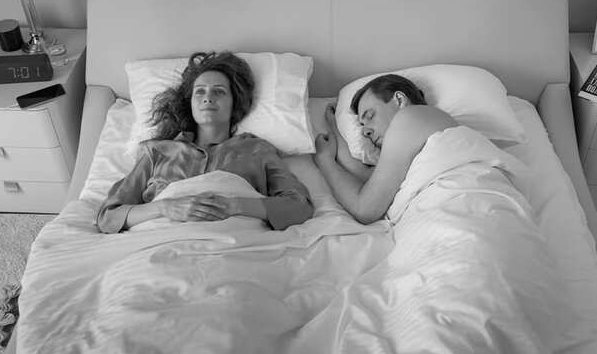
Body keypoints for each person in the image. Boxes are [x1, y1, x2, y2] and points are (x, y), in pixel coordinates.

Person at [97, 51, 313, 233]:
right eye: (199, 92)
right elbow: (109, 216)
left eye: (219, 91)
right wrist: (165, 207)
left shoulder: (257, 149)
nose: (208, 98)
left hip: (236, 243)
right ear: (189, 103)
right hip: (162, 243)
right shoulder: (156, 151)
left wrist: (235, 205)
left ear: (235, 103)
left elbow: (300, 206)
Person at [313, 74, 457, 224]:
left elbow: (365, 208)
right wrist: (335, 126)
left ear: (399, 100)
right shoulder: (416, 142)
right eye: (362, 125)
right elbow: (368, 181)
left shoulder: (411, 116)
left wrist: (324, 161)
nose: (365, 132)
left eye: (370, 116)